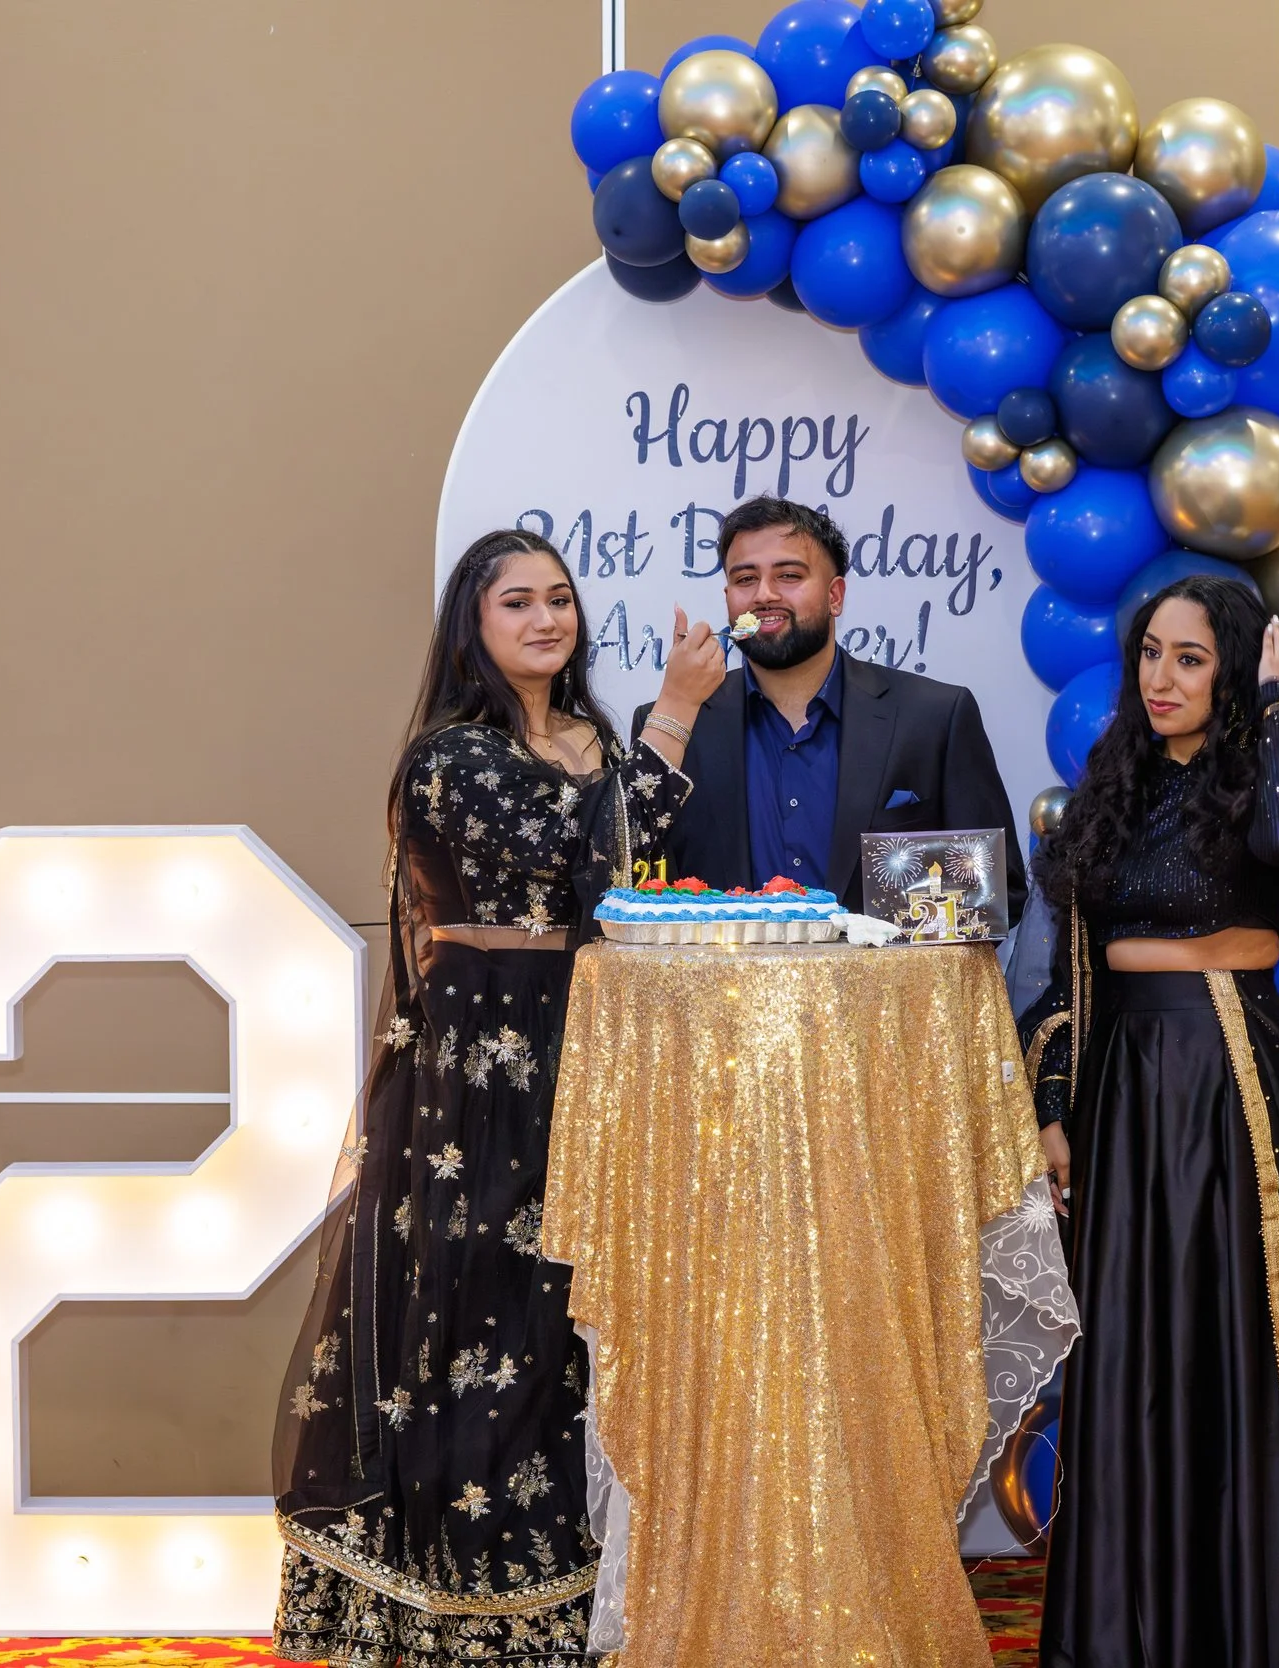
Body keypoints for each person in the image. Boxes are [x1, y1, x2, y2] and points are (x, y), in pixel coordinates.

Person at [271, 528, 725, 1666]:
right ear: (472, 626)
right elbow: (576, 851)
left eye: (560, 599)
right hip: (483, 1068)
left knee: (568, 1314)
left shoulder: (590, 737)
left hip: (590, 1046)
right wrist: (675, 716)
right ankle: (453, 1605)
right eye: (516, 601)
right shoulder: (452, 755)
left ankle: (563, 1597)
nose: (544, 619)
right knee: (475, 1310)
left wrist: (645, 739)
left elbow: (637, 869)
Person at [1022, 575, 1279, 1668]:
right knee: (1129, 1354)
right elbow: (1065, 972)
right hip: (1124, 1086)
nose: (1160, 679)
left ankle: (1250, 1633)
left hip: (1229, 1080)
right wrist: (1050, 1107)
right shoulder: (1109, 788)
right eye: (1149, 656)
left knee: (1236, 1350)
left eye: (1189, 659)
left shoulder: (1260, 779)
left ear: (1228, 672)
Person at [634, 495, 1028, 921]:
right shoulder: (675, 725)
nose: (764, 595)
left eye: (788, 575)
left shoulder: (934, 717)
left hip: (887, 986)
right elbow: (634, 891)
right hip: (720, 985)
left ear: (835, 595)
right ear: (728, 597)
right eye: (745, 579)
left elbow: (999, 893)